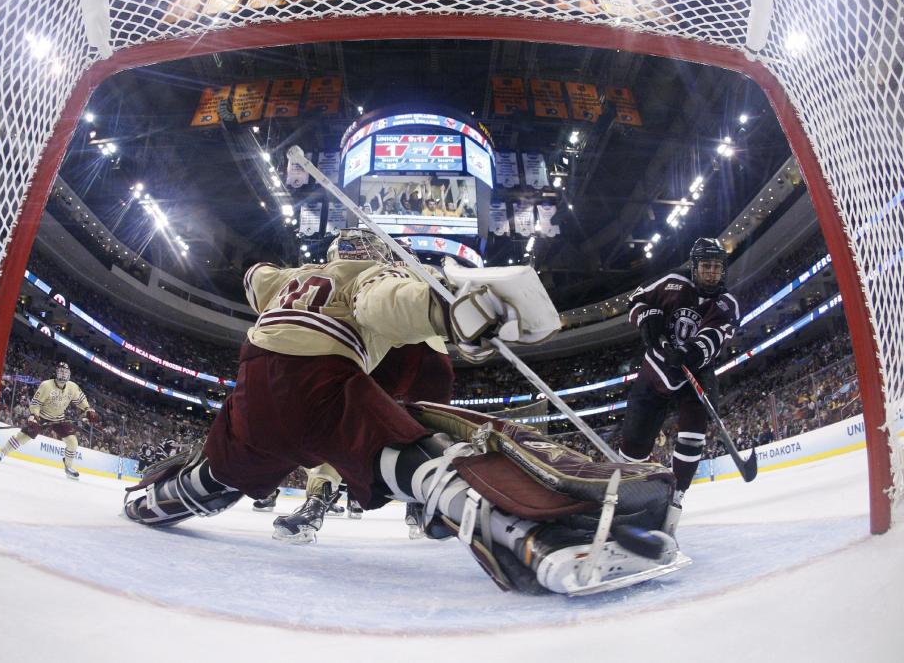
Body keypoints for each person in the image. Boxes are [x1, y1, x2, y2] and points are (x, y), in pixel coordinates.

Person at [123, 229, 682, 595]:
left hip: (252, 392)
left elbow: (255, 278)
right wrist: (447, 310)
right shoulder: (370, 275)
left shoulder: (292, 278)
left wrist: (268, 278)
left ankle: (151, 504)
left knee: (223, 472)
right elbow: (387, 302)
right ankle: (540, 545)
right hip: (319, 387)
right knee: (422, 461)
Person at [272, 338, 454, 542]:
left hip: (398, 340)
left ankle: (427, 500)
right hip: (403, 339)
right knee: (350, 418)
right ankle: (318, 499)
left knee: (352, 420)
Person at [620, 237, 740, 533]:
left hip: (696, 376)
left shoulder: (727, 304)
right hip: (655, 372)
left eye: (716, 267)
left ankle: (675, 500)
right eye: (706, 266)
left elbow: (715, 336)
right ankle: (626, 500)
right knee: (633, 445)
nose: (712, 273)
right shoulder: (671, 282)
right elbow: (636, 300)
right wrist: (648, 319)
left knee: (692, 438)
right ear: (694, 266)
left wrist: (692, 352)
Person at [0, 362, 99, 480]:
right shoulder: (46, 385)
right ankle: (2, 452)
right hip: (42, 416)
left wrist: (89, 410)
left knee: (73, 442)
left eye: (65, 372)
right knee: (24, 437)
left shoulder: (72, 387)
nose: (63, 375)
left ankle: (68, 467)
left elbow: (81, 400)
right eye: (61, 372)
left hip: (59, 418)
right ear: (56, 373)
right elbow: (36, 403)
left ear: (69, 374)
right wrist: (34, 416)